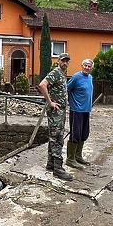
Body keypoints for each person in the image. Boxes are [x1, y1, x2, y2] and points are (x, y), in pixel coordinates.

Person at [38, 52, 73, 181]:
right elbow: (42, 85)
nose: (65, 63)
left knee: (53, 137)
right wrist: (50, 102)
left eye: (67, 61)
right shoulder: (55, 73)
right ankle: (58, 168)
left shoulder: (62, 74)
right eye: (63, 60)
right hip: (55, 111)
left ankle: (51, 163)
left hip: (60, 110)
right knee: (57, 137)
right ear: (58, 61)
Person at [66, 58, 94, 168]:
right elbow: (66, 89)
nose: (87, 68)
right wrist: (68, 102)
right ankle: (70, 159)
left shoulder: (90, 77)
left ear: (91, 68)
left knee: (84, 134)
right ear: (81, 66)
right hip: (76, 110)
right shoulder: (76, 77)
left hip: (86, 110)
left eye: (89, 66)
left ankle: (78, 156)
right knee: (75, 134)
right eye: (85, 65)